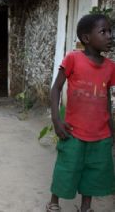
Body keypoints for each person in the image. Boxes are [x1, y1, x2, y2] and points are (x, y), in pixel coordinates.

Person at [46, 13, 115, 212]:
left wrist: (111, 128)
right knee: (66, 168)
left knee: (93, 171)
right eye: (103, 31)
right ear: (86, 38)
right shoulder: (73, 59)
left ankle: (85, 207)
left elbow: (106, 99)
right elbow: (56, 88)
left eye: (110, 31)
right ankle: (54, 203)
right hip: (73, 131)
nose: (109, 35)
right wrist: (56, 120)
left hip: (100, 133)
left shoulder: (110, 67)